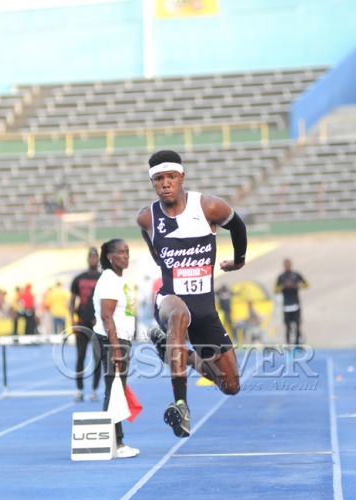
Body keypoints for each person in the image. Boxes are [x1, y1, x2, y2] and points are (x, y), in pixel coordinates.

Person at [137, 149, 247, 439]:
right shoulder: (147, 218)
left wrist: (239, 260)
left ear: (181, 177)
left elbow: (238, 226)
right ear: (152, 183)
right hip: (170, 300)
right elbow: (156, 254)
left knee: (231, 385)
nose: (165, 183)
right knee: (178, 314)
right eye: (158, 179)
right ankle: (181, 404)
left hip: (205, 310)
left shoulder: (209, 207)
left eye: (171, 176)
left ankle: (178, 354)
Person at [93, 239, 139, 458]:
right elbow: (106, 315)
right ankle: (116, 443)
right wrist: (116, 348)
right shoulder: (109, 279)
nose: (125, 256)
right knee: (114, 391)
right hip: (113, 341)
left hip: (120, 340)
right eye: (120, 252)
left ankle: (110, 440)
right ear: (110, 256)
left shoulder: (119, 279)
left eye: (127, 252)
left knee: (116, 389)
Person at [70, 247, 102, 403]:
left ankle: (94, 390)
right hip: (82, 324)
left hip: (97, 325)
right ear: (87, 259)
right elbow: (72, 301)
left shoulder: (103, 278)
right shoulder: (79, 279)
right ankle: (79, 390)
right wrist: (72, 322)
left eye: (95, 257)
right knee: (80, 357)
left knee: (97, 358)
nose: (93, 259)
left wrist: (102, 319)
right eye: (91, 257)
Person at [274, 259, 309, 345]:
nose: (287, 266)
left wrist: (297, 286)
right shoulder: (281, 277)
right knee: (287, 327)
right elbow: (275, 289)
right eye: (286, 265)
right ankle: (288, 345)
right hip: (286, 306)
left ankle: (297, 344)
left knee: (297, 326)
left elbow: (306, 284)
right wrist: (284, 286)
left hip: (295, 304)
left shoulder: (296, 275)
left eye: (288, 265)